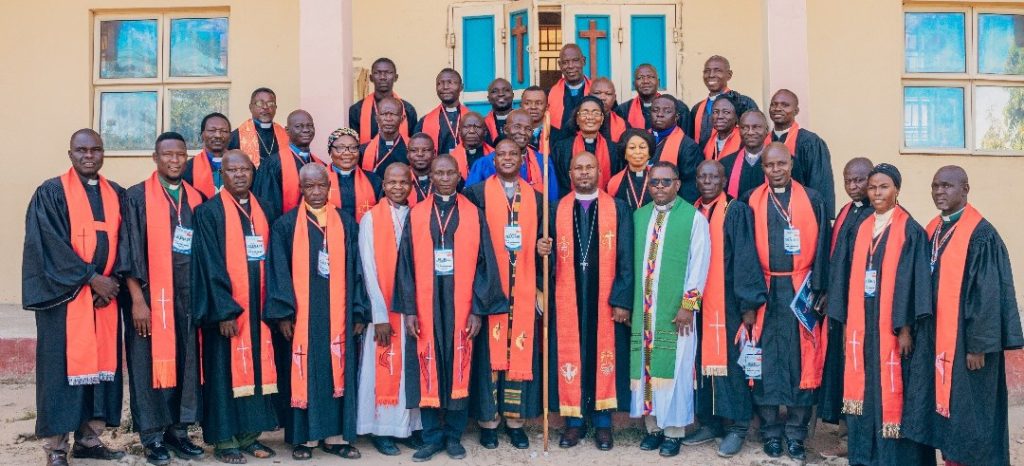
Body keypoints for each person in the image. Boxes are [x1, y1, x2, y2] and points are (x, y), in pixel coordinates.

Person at [904, 166, 1024, 466]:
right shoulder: (933, 229)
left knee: (971, 414)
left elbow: (988, 295)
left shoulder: (981, 234)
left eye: (947, 186)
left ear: (965, 189)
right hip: (938, 340)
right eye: (935, 186)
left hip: (968, 345)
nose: (939, 192)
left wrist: (978, 346)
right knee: (945, 411)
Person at [393, 155, 508, 462]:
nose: (444, 178)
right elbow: (405, 265)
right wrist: (410, 310)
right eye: (439, 173)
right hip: (426, 304)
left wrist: (477, 311)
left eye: (450, 173)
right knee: (427, 365)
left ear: (459, 176)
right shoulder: (417, 214)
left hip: (462, 304)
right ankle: (431, 437)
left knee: (459, 364)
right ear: (430, 177)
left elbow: (485, 264)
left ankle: (454, 436)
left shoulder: (474, 213)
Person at [23, 129, 126, 466]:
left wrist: (111, 283)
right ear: (70, 154)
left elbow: (127, 242)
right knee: (60, 375)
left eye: (96, 149)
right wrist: (91, 279)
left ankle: (89, 440)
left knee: (99, 375)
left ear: (103, 153)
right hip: (64, 302)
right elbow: (48, 244)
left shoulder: (116, 194)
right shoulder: (52, 192)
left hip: (104, 301)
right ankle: (56, 448)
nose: (89, 156)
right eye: (82, 150)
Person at [827, 164, 935, 466]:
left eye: (883, 187)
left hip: (892, 325)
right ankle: (864, 455)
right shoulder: (860, 228)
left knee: (891, 388)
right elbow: (842, 276)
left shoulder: (910, 230)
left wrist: (905, 328)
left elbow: (915, 283)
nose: (876, 193)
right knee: (865, 388)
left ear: (896, 190)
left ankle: (893, 458)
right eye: (872, 187)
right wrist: (845, 321)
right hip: (862, 323)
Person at [264, 164, 370, 461]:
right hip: (303, 318)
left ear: (329, 186)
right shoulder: (286, 226)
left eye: (321, 185)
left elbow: (358, 270)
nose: (316, 192)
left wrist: (358, 312)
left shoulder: (346, 223)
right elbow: (278, 272)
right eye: (309, 186)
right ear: (301, 189)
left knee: (337, 373)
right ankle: (305, 439)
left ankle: (336, 438)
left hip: (339, 316)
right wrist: (283, 315)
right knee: (305, 373)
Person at [119, 132, 206, 465]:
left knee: (185, 362)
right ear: (155, 158)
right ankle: (152, 436)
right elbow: (128, 251)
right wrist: (137, 301)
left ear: (187, 158)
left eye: (180, 154)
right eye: (167, 154)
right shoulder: (136, 197)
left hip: (187, 296)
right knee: (146, 365)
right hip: (149, 297)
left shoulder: (196, 198)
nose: (174, 160)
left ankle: (178, 431)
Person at [741, 143, 830, 461]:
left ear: (791, 164)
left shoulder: (813, 198)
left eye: (781, 164)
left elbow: (824, 246)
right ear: (763, 168)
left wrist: (821, 288)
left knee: (801, 360)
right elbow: (744, 252)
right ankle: (770, 433)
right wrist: (748, 300)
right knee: (764, 360)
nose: (775, 170)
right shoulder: (750, 200)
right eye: (769, 165)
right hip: (764, 289)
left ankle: (795, 434)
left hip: (801, 289)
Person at [191, 150, 279, 464]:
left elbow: (275, 259)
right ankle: (225, 440)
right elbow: (209, 264)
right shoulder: (209, 212)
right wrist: (225, 310)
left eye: (245, 169)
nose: (240, 175)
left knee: (257, 369)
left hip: (259, 309)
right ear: (222, 175)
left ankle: (249, 436)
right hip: (226, 312)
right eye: (232, 170)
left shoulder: (265, 208)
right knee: (222, 374)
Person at [464, 139, 552, 450]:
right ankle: (489, 423)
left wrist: (543, 249)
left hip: (524, 288)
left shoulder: (538, 199)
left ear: (522, 158)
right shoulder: (476, 195)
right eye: (501, 154)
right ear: (494, 160)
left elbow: (545, 241)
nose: (507, 158)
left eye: (513, 154)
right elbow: (469, 243)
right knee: (489, 355)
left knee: (520, 350)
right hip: (490, 287)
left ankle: (515, 423)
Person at [550, 151, 634, 450]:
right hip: (568, 298)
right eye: (578, 168)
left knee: (603, 355)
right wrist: (543, 251)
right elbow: (546, 260)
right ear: (570, 174)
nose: (584, 172)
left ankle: (602, 423)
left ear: (599, 172)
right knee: (572, 354)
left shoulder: (618, 208)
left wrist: (622, 299)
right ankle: (574, 423)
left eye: (589, 167)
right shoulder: (556, 209)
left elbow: (626, 255)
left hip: (605, 298)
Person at [629, 161, 711, 458]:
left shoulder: (693, 218)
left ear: (678, 184)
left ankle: (674, 431)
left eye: (666, 182)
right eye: (654, 182)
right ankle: (653, 428)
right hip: (644, 310)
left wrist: (688, 306)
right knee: (645, 367)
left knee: (676, 370)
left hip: (676, 313)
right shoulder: (639, 217)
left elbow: (700, 263)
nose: (660, 187)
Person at [687, 160, 767, 458]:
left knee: (733, 364)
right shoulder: (692, 210)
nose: (707, 181)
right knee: (700, 362)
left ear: (724, 181)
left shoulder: (735, 211)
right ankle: (710, 422)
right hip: (697, 302)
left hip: (729, 302)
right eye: (702, 176)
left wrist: (748, 306)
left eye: (714, 177)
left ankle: (738, 426)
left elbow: (746, 258)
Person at [356, 163, 425, 455]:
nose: (398, 187)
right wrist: (379, 316)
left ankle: (408, 428)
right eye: (392, 182)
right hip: (383, 309)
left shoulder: (418, 215)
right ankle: (382, 429)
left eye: (403, 182)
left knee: (411, 368)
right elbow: (368, 269)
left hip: (412, 308)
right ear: (383, 185)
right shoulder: (370, 219)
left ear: (411, 185)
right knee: (383, 366)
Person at [820, 157, 875, 433]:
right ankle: (845, 431)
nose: (853, 186)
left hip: (865, 307)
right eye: (848, 181)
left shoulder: (878, 215)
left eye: (859, 180)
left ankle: (859, 433)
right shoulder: (845, 211)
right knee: (841, 365)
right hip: (841, 304)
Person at [465, 109, 559, 200]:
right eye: (517, 127)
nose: (522, 132)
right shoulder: (484, 164)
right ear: (506, 129)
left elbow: (552, 200)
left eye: (528, 129)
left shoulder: (543, 162)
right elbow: (471, 201)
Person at [770, 89, 835, 218]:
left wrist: (821, 218)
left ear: (796, 111)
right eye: (774, 104)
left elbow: (819, 184)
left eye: (785, 105)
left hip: (800, 212)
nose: (777, 108)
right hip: (767, 211)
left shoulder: (810, 142)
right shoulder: (764, 141)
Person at [252, 109, 323, 223]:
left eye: (310, 125)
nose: (306, 130)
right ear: (287, 130)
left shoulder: (320, 164)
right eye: (298, 126)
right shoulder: (273, 164)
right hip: (285, 228)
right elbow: (267, 206)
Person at [553, 96, 620, 195]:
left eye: (596, 113)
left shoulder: (614, 149)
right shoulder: (561, 148)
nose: (590, 117)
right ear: (577, 119)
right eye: (585, 113)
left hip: (607, 201)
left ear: (602, 119)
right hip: (570, 201)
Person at [688, 56, 759, 147]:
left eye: (717, 70)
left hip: (734, 154)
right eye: (707, 71)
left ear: (729, 75)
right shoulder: (697, 108)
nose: (711, 75)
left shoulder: (743, 103)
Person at [349, 57, 417, 145]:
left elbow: (413, 144)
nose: (383, 77)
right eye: (377, 73)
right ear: (371, 78)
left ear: (396, 77)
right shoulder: (357, 110)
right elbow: (354, 145)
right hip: (367, 154)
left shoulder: (408, 110)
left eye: (388, 73)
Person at [649, 94, 703, 203]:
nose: (660, 114)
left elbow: (690, 189)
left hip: (673, 206)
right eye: (655, 110)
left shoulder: (688, 147)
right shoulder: (641, 141)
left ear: (677, 116)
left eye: (667, 111)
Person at [325, 128, 382, 222]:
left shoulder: (374, 180)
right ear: (330, 151)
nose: (347, 153)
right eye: (340, 148)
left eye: (353, 148)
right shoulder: (319, 180)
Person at [615, 64, 690, 133]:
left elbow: (686, 139)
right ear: (634, 84)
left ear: (658, 82)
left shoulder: (678, 107)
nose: (645, 81)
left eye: (650, 77)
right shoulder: (623, 111)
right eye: (640, 78)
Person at [229, 88, 288, 168]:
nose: (265, 107)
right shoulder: (236, 137)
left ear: (275, 108)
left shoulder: (286, 135)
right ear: (250, 107)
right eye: (260, 103)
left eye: (270, 103)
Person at [415, 69, 468, 156]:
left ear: (461, 87)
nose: (445, 87)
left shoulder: (472, 119)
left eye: (450, 82)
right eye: (440, 83)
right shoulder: (424, 121)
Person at [719, 110, 769, 199]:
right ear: (739, 131)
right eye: (745, 128)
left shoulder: (781, 163)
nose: (750, 132)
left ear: (766, 130)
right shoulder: (725, 164)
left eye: (756, 127)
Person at [359, 96, 410, 178]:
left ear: (402, 119)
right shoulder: (363, 151)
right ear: (377, 118)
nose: (388, 119)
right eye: (384, 114)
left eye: (393, 114)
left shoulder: (411, 149)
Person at [183, 112, 231, 198]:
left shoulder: (242, 165)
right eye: (212, 130)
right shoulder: (188, 167)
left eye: (223, 131)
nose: (218, 135)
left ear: (230, 136)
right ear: (202, 135)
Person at [548, 44, 590, 137]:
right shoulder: (549, 94)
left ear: (583, 61)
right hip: (558, 144)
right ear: (560, 65)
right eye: (565, 62)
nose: (570, 66)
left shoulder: (597, 92)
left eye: (575, 60)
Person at [606, 129, 654, 210]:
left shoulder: (658, 178)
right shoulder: (614, 182)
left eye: (642, 147)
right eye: (632, 148)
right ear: (624, 153)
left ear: (649, 153)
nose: (637, 152)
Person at [450, 112, 494, 179]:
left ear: (485, 132)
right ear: (459, 132)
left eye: (477, 127)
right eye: (467, 127)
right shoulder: (451, 158)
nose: (472, 131)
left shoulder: (495, 156)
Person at [703, 96, 742, 161]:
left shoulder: (743, 140)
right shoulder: (709, 142)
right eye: (715, 112)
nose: (719, 116)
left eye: (726, 112)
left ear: (736, 117)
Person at [589, 77, 627, 142]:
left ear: (614, 98)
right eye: (597, 93)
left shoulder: (623, 124)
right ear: (589, 95)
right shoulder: (578, 123)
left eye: (608, 94)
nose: (603, 98)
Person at [407, 133, 438, 204]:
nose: (420, 154)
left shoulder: (444, 178)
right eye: (414, 150)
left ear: (434, 153)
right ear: (408, 154)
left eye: (425, 150)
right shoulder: (400, 178)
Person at [484, 78, 514, 145]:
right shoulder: (482, 125)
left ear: (513, 95)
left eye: (506, 90)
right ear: (488, 98)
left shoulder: (524, 121)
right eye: (494, 91)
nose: (501, 94)